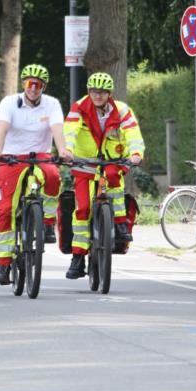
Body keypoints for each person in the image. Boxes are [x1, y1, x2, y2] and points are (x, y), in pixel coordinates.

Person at [0, 63, 71, 285]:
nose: (33, 88)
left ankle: (46, 221)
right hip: (11, 158)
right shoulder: (9, 103)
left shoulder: (52, 104)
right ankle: (3, 265)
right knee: (5, 210)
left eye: (38, 85)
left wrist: (62, 151)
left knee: (54, 176)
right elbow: (2, 129)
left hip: (41, 156)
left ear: (43, 87)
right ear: (23, 84)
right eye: (29, 83)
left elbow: (57, 130)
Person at [63, 71, 144, 279]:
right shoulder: (79, 108)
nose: (98, 95)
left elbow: (133, 133)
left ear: (110, 93)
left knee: (114, 178)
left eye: (102, 92)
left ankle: (120, 222)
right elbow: (70, 131)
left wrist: (136, 154)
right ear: (89, 92)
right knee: (82, 208)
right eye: (94, 91)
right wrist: (68, 151)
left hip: (111, 160)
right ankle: (78, 258)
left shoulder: (122, 110)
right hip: (84, 163)